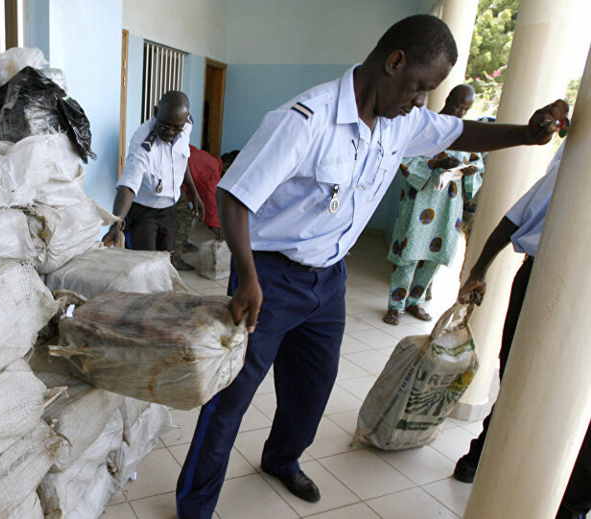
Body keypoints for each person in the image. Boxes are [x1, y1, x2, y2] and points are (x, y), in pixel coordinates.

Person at [174, 14, 568, 518]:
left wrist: (527, 136)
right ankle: (195, 506)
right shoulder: (307, 118)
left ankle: (281, 459)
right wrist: (247, 277)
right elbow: (234, 197)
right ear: (394, 61)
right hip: (270, 276)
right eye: (419, 86)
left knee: (312, 387)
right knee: (231, 395)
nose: (421, 100)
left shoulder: (402, 122)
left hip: (330, 278)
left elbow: (461, 131)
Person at [453, 141, 588, 519]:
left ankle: (571, 504)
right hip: (544, 284)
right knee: (520, 380)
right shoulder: (578, 171)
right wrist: (477, 272)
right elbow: (517, 215)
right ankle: (481, 455)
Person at [383, 84, 484, 325]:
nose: (460, 112)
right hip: (420, 204)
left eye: (466, 109)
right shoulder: (426, 127)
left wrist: (469, 170)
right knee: (408, 256)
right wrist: (437, 164)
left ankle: (415, 302)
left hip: (449, 208)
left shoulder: (464, 133)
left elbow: (476, 166)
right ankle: (395, 306)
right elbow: (405, 159)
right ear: (448, 99)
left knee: (433, 258)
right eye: (458, 105)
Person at [102, 92, 204, 254]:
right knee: (143, 263)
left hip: (169, 208)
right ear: (156, 112)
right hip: (144, 212)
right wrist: (116, 223)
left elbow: (180, 160)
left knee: (165, 260)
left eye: (176, 128)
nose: (170, 132)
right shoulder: (143, 145)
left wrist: (194, 193)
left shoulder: (185, 126)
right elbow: (128, 186)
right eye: (164, 126)